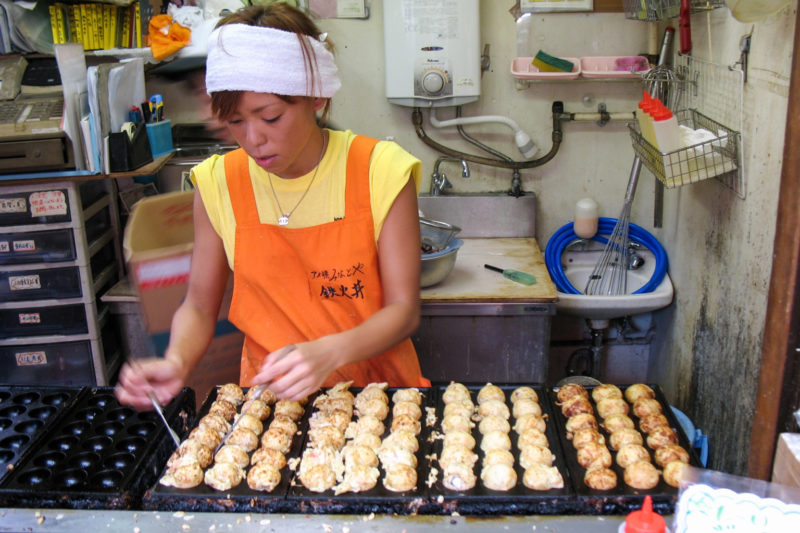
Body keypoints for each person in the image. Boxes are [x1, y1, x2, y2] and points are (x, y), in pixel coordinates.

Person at [115, 3, 429, 409]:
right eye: (235, 122)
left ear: (316, 98)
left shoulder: (380, 171)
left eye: (271, 117)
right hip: (274, 399)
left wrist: (329, 352)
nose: (253, 139)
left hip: (379, 397)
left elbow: (403, 311)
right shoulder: (219, 182)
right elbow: (197, 304)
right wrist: (177, 361)